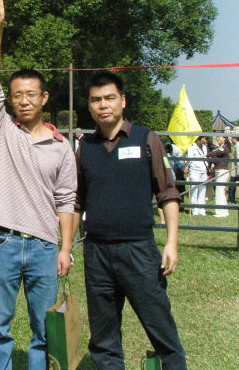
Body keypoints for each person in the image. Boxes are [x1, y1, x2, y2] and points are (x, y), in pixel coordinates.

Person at [0, 0, 76, 370]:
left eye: (30, 94)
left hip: (44, 248)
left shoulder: (61, 147)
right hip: (4, 242)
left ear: (44, 98)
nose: (22, 100)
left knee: (43, 330)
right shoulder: (2, 130)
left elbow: (67, 200)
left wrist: (65, 249)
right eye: (16, 95)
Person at [73, 71, 187, 370]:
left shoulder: (146, 138)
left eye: (110, 98)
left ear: (122, 101)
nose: (103, 105)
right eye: (96, 100)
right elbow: (76, 201)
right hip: (97, 253)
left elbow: (168, 193)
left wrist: (172, 243)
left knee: (161, 329)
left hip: (139, 251)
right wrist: (65, 245)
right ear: (89, 105)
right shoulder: (85, 146)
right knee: (103, 338)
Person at [206, 134, 230, 218]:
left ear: (224, 138)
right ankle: (223, 211)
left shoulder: (225, 147)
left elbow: (216, 153)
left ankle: (221, 212)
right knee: (220, 191)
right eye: (216, 137)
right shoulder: (219, 147)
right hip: (218, 171)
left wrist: (206, 155)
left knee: (219, 191)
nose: (217, 139)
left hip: (222, 171)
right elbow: (216, 155)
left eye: (219, 137)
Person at [185, 136, 208, 215]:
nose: (205, 140)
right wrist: (187, 168)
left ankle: (201, 208)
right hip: (195, 171)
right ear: (198, 139)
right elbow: (189, 160)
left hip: (204, 170)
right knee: (194, 189)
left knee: (202, 190)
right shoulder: (191, 148)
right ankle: (195, 209)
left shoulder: (204, 147)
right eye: (203, 139)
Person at [229, 135, 239, 204]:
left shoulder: (237, 146)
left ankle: (231, 199)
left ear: (234, 138)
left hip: (236, 169)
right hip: (235, 168)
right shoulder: (236, 145)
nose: (231, 140)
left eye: (231, 138)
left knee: (232, 184)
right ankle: (231, 199)